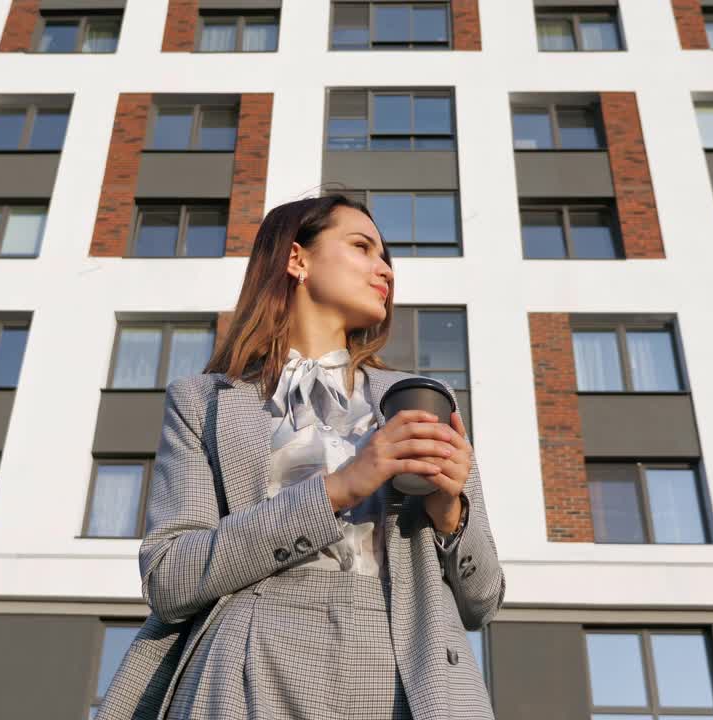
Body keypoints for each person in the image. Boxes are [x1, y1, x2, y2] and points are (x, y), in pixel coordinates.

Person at [97, 195, 504, 720]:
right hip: (250, 657)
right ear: (297, 259)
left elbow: (482, 600)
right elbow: (168, 578)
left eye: (387, 260)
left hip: (402, 662)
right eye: (363, 247)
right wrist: (341, 487)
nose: (384, 270)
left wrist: (451, 513)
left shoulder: (418, 398)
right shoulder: (203, 401)